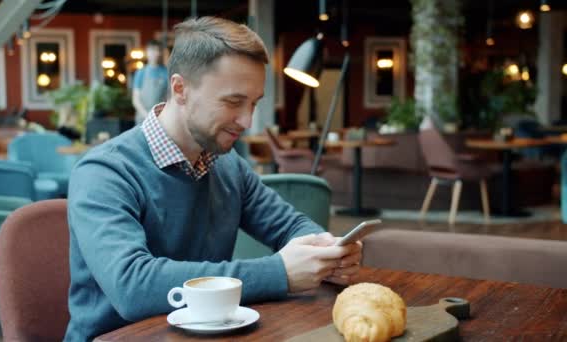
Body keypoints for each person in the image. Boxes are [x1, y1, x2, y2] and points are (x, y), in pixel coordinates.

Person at [65, 16, 362, 341]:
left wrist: (328, 251)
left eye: (253, 103)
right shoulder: (104, 172)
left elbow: (288, 226)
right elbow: (133, 287)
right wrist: (279, 274)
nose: (248, 121)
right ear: (180, 89)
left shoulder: (227, 164)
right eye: (233, 102)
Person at [131, 39, 169, 125]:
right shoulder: (141, 72)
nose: (156, 53)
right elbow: (135, 99)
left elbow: (169, 98)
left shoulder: (166, 72)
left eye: (158, 50)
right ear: (147, 52)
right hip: (142, 118)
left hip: (161, 118)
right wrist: (146, 115)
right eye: (153, 50)